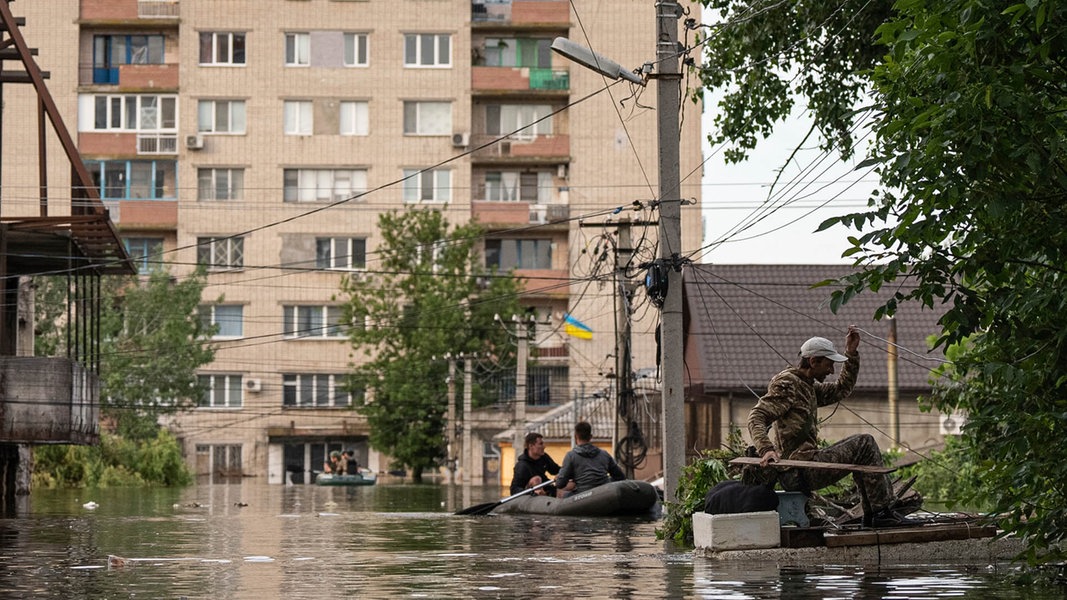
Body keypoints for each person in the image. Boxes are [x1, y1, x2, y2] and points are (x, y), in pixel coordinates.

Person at [747, 326, 915, 521]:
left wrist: (851, 354)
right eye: (828, 364)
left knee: (861, 447)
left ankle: (874, 514)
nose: (831, 370)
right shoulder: (789, 384)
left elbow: (841, 389)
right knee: (864, 444)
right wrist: (766, 449)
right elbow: (756, 416)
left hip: (805, 466)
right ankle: (880, 513)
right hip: (798, 470)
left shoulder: (807, 386)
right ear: (813, 361)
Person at [555, 421, 626, 497]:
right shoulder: (604, 454)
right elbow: (620, 476)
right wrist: (607, 481)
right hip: (604, 494)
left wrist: (561, 478)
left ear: (576, 437)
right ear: (590, 437)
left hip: (581, 496)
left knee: (560, 492)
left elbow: (560, 484)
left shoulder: (571, 456)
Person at [509, 432, 560, 496]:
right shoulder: (522, 466)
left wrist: (566, 471)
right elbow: (514, 490)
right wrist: (531, 493)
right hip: (530, 495)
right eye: (540, 444)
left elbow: (556, 470)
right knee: (536, 479)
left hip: (545, 487)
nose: (544, 446)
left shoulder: (544, 457)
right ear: (531, 446)